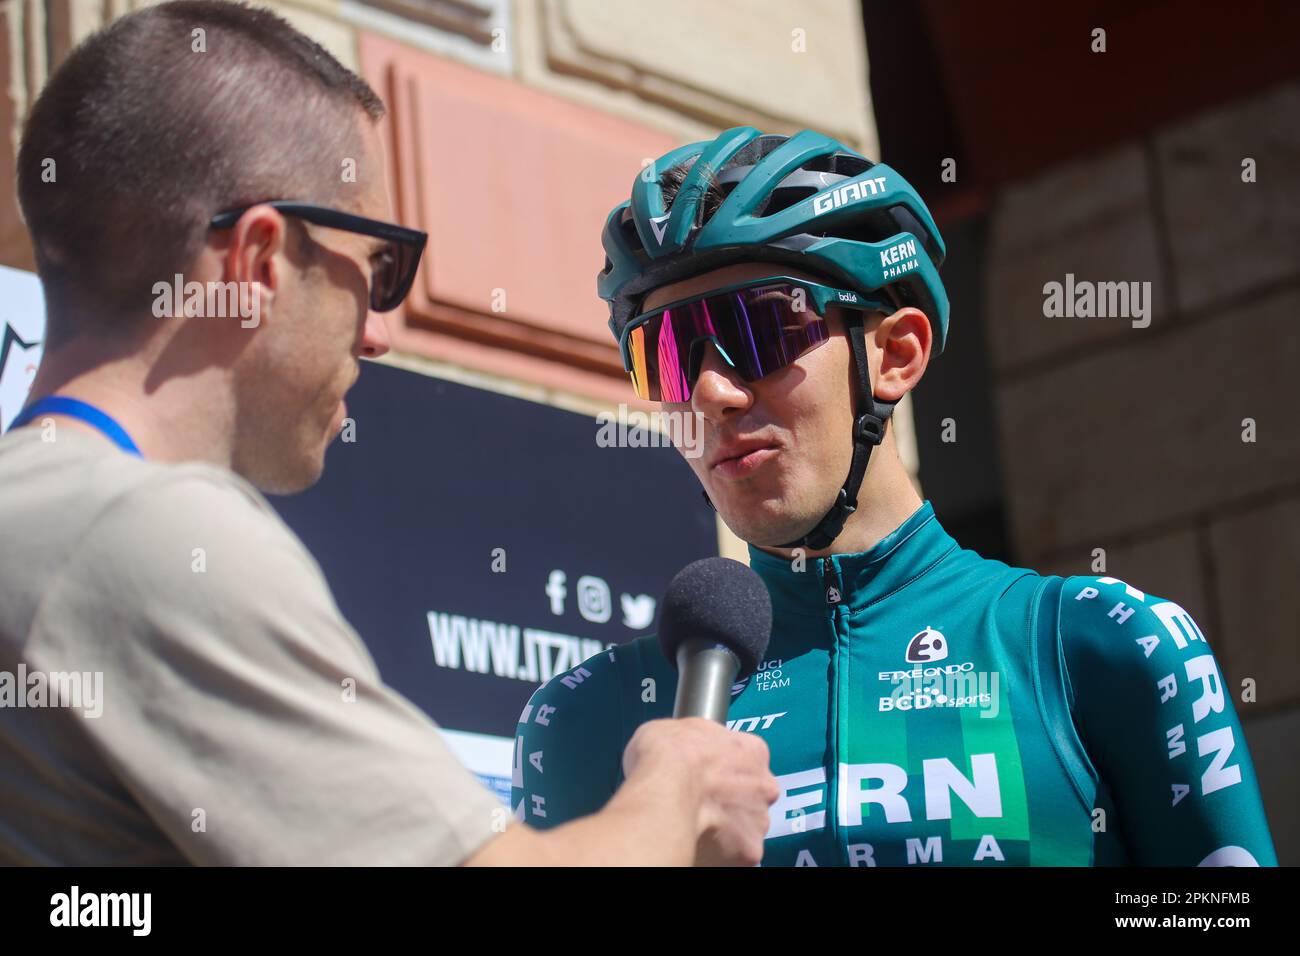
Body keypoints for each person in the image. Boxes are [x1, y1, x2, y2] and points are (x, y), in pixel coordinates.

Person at [0, 1, 778, 866]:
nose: (377, 331)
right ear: (259, 261)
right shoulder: (149, 535)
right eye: (379, 266)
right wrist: (682, 790)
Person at [511, 127, 1279, 867]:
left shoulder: (1104, 647)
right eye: (667, 355)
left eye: (762, 327)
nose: (711, 391)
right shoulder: (585, 720)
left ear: (896, 354)